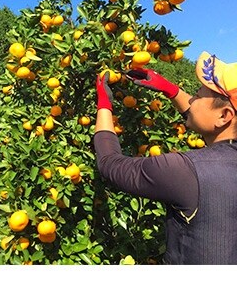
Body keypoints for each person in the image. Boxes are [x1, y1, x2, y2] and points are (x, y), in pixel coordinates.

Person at [94, 51, 237, 264]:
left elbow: (110, 163)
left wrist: (104, 105)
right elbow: (204, 120)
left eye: (197, 95)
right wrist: (170, 90)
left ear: (224, 115)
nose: (192, 100)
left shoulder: (187, 171)